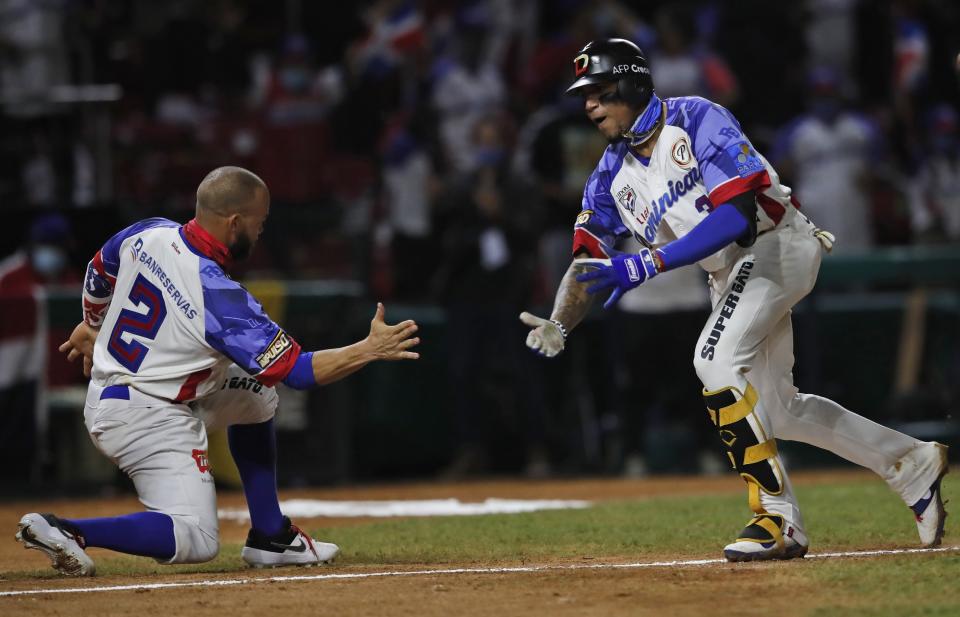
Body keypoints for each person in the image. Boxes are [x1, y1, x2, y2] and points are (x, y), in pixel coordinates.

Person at [519, 39, 949, 562]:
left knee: (713, 360)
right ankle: (910, 463)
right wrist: (561, 321)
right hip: (731, 272)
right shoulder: (608, 176)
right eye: (586, 95)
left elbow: (737, 213)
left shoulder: (696, 117)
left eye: (600, 91)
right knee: (779, 412)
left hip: (775, 244)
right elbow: (587, 264)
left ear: (633, 84)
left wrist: (647, 262)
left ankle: (777, 519)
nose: (588, 104)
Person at [15, 167, 420, 576]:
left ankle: (271, 537)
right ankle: (68, 530)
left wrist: (93, 322)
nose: (261, 232)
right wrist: (369, 349)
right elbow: (297, 371)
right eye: (259, 222)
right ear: (235, 223)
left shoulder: (150, 231)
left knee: (257, 393)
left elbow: (99, 269)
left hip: (131, 390)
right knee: (197, 538)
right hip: (144, 416)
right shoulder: (218, 296)